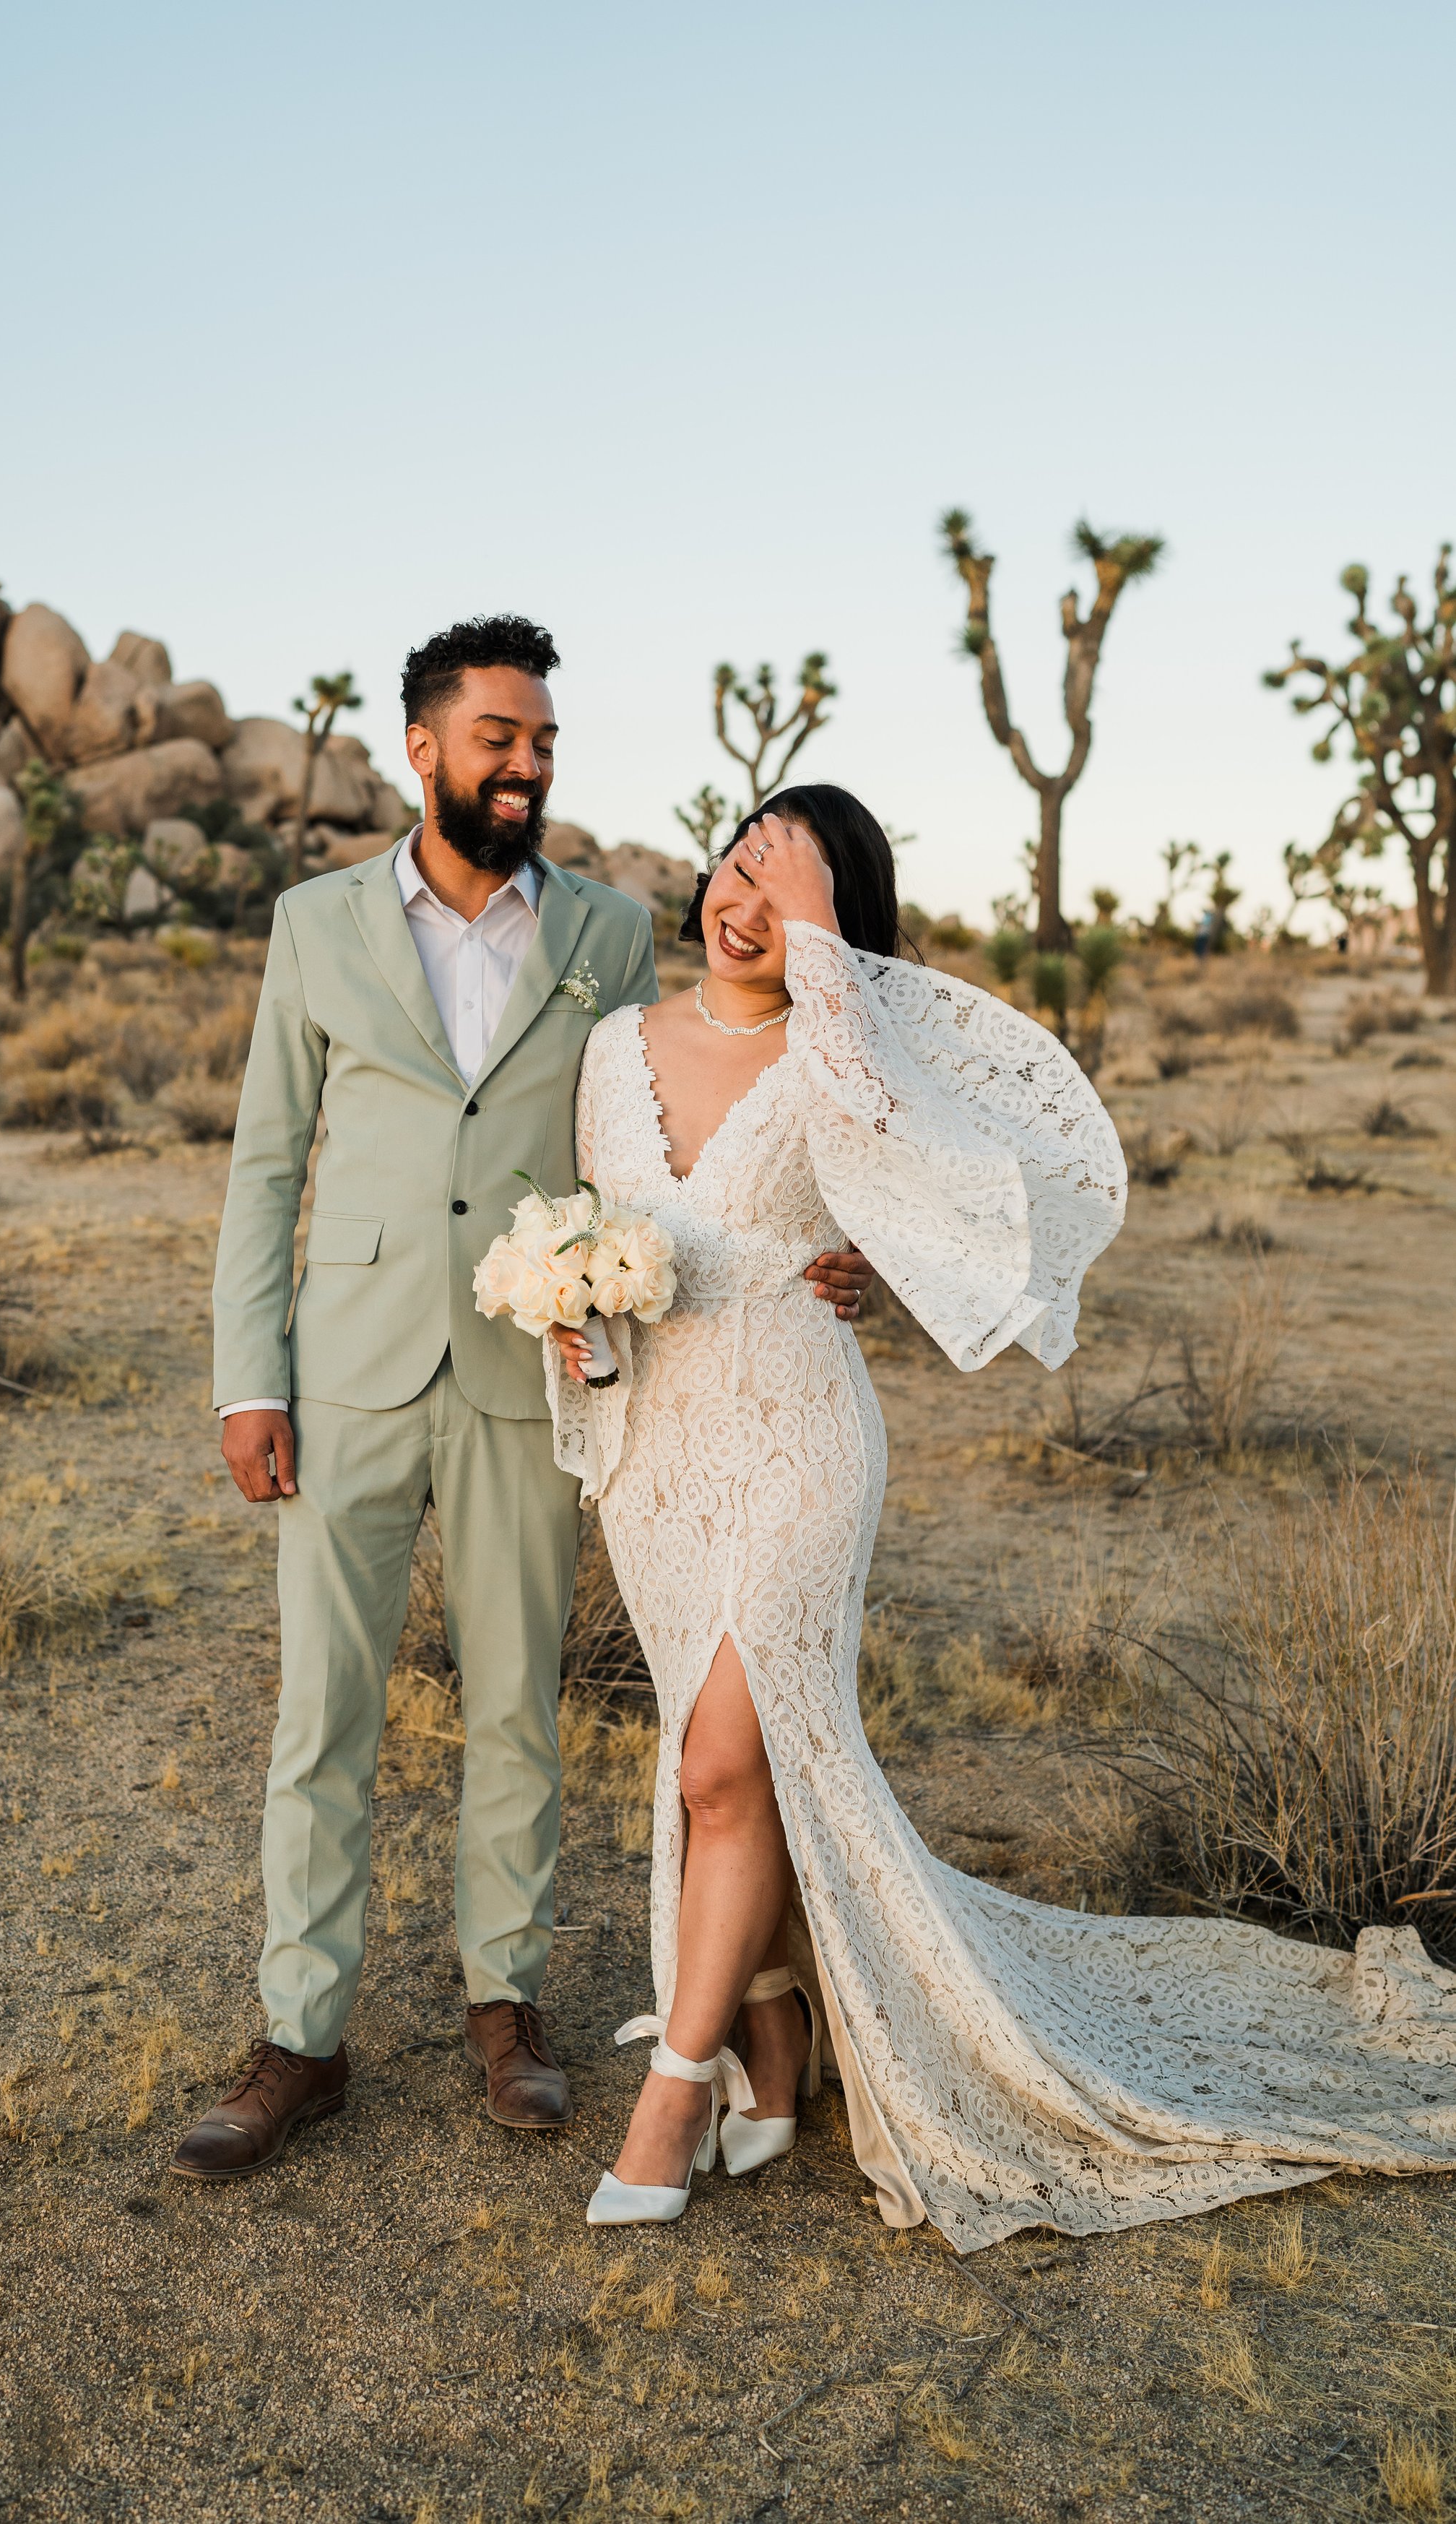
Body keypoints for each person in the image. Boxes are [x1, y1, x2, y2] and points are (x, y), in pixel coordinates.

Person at [545, 787, 1456, 2248]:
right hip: (657, 1450)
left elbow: (928, 1167)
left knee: (729, 1751)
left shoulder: (844, 1056)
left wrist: (822, 956)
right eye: (736, 863)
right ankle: (772, 2039)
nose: (742, 900)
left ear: (833, 924)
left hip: (795, 1436)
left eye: (784, 886)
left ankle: (675, 2083)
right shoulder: (609, 1053)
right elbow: (605, 1232)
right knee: (731, 1769)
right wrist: (572, 1312)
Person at [172, 623, 872, 2181]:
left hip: (532, 1373)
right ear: (420, 747)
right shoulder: (316, 923)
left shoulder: (612, 935)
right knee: (322, 1711)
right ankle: (300, 2036)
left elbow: (684, 1123)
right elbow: (266, 1165)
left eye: (542, 738)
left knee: (516, 1704)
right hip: (344, 1369)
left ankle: (508, 2002)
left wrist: (835, 1249)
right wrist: (249, 1376)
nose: (526, 763)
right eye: (497, 735)